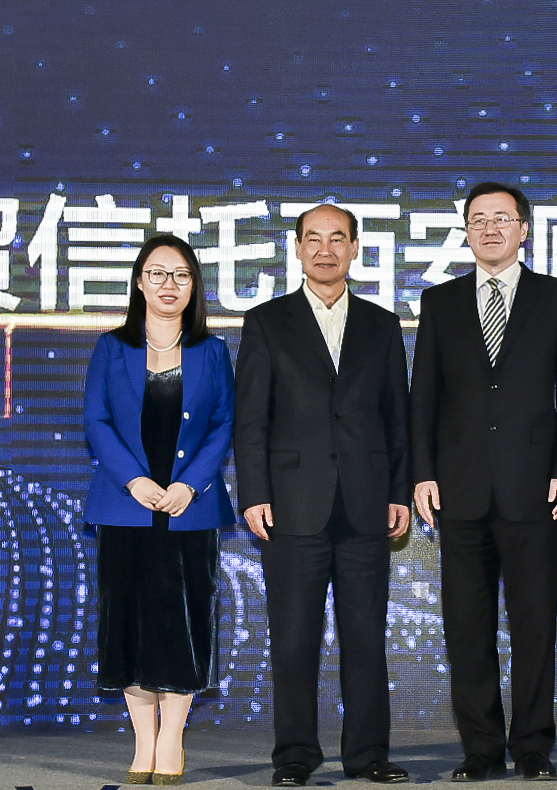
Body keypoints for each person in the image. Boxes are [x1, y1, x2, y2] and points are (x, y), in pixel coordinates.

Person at [410, 182, 557, 782]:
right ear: (466, 231)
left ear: (524, 229)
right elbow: (423, 397)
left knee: (535, 625)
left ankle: (534, 746)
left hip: (534, 487)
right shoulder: (439, 302)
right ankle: (481, 749)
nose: (490, 229)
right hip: (458, 488)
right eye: (478, 220)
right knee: (468, 628)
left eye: (502, 219)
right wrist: (423, 474)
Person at [233, 203, 411, 788]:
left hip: (365, 505)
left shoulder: (382, 325)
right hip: (291, 503)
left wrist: (399, 491)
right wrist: (254, 492)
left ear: (355, 248)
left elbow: (397, 418)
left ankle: (369, 755)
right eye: (314, 238)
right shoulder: (266, 322)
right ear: (297, 248)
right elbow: (251, 419)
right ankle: (294, 755)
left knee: (365, 639)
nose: (325, 249)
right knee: (292, 641)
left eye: (338, 238)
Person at [83, 233, 236, 786]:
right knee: (128, 623)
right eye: (158, 273)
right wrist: (135, 480)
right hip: (126, 508)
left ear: (194, 286)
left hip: (189, 511)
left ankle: (172, 739)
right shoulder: (111, 348)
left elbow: (223, 423)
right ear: (139, 283)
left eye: (181, 275)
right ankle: (142, 743)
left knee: (181, 625)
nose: (169, 284)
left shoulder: (212, 351)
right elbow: (96, 420)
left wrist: (189, 485)